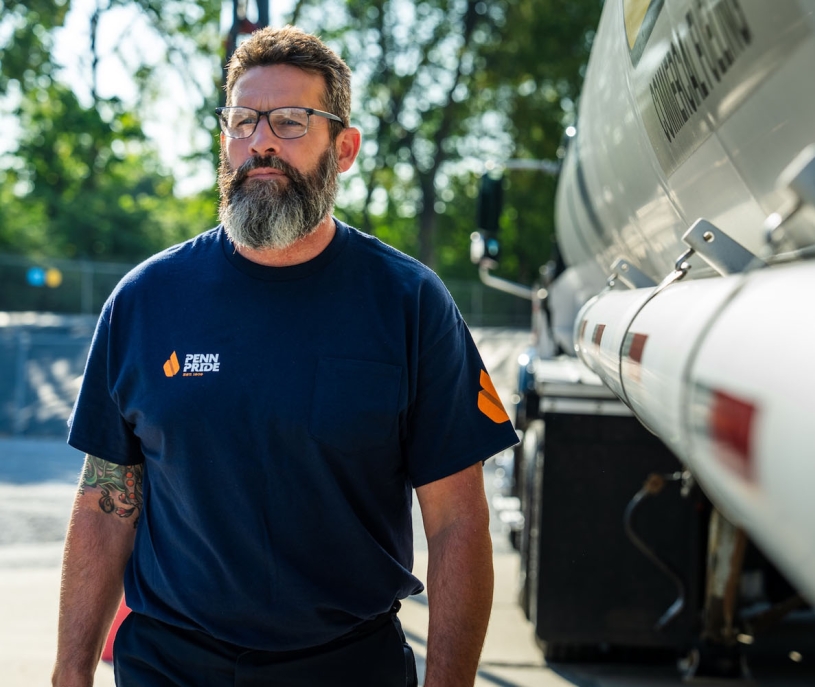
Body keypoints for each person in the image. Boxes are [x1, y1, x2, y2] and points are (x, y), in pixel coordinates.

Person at [52, 25, 518, 687]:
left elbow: (457, 523)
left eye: (291, 121)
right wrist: (69, 674)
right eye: (242, 121)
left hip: (349, 666)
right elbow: (105, 503)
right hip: (170, 664)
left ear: (345, 148)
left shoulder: (410, 303)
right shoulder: (146, 301)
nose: (260, 141)